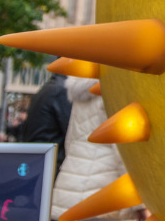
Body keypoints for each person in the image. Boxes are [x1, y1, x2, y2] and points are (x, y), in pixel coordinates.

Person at [51, 77, 147, 221]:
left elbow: (70, 141)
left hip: (65, 193)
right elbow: (123, 151)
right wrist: (141, 205)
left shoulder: (81, 91)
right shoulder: (117, 85)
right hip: (103, 195)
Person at [21, 72, 72, 170]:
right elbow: (71, 132)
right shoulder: (61, 89)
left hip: (39, 161)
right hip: (51, 165)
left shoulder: (50, 87)